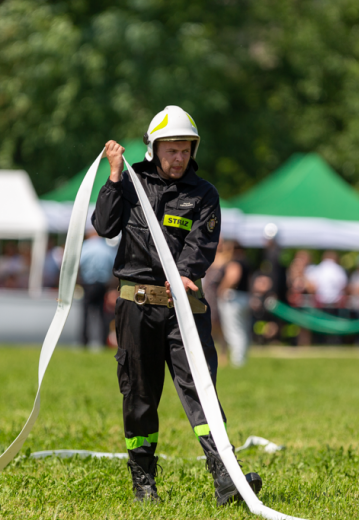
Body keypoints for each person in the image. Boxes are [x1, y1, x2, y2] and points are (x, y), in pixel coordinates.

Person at [91, 106, 262, 505]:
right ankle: (144, 484)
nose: (179, 158)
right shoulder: (130, 183)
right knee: (140, 396)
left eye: (185, 150)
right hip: (136, 308)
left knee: (201, 392)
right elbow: (104, 226)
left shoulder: (204, 195)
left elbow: (202, 245)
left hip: (185, 308)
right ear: (154, 149)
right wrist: (114, 176)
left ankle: (226, 479)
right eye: (171, 150)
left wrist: (185, 273)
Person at [78, 229, 117, 349]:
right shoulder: (106, 248)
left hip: (88, 284)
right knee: (102, 314)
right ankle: (102, 341)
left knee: (85, 315)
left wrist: (79, 281)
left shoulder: (85, 247)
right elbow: (113, 266)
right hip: (102, 285)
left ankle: (84, 341)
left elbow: (78, 264)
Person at [217, 241, 252, 367]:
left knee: (234, 330)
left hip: (233, 298)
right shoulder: (246, 262)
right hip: (245, 297)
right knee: (242, 329)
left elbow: (233, 276)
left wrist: (221, 289)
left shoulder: (236, 262)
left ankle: (238, 360)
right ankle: (241, 358)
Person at [306, 251, 348, 344]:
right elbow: (343, 285)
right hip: (334, 303)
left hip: (321, 302)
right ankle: (334, 341)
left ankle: (321, 341)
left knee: (321, 324)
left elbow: (312, 286)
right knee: (334, 324)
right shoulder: (338, 269)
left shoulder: (318, 269)